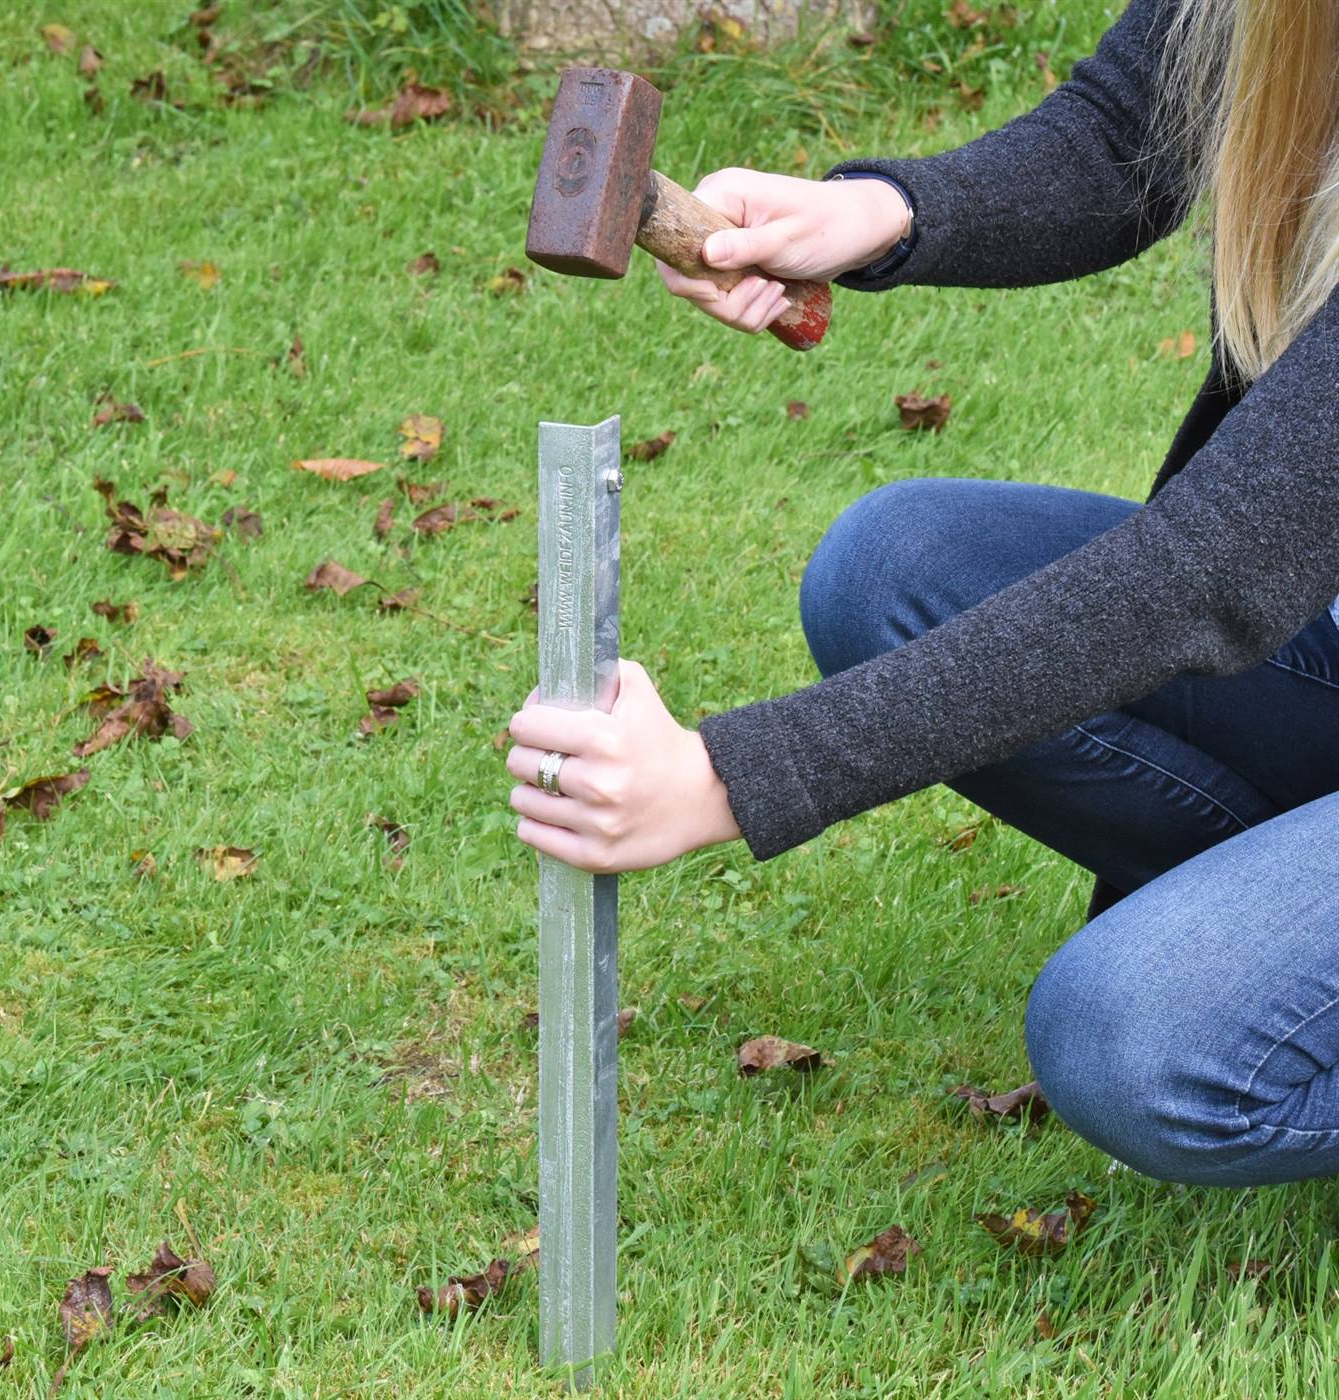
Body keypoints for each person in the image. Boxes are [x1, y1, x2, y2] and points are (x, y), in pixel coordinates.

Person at [505, 0, 1339, 1189]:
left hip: (1260, 574)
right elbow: (1128, 134)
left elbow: (1205, 570)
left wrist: (732, 777)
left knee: (1134, 1041)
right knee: (893, 567)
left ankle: (1253, 980)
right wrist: (875, 212)